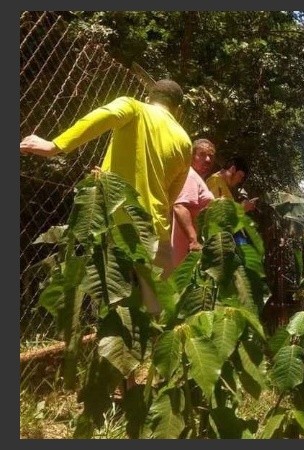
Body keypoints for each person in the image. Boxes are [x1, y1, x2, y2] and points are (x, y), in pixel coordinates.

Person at [20, 79, 192, 314]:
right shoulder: (185, 142)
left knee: (112, 301)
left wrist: (55, 145)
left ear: (149, 97)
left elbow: (102, 116)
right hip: (154, 229)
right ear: (178, 110)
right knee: (157, 308)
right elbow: (171, 196)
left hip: (116, 222)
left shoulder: (134, 107)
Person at [169, 138, 216, 274]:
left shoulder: (196, 178)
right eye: (202, 154)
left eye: (210, 156)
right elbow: (180, 207)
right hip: (187, 253)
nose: (207, 159)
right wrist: (193, 241)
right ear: (192, 156)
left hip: (191, 253)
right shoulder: (189, 176)